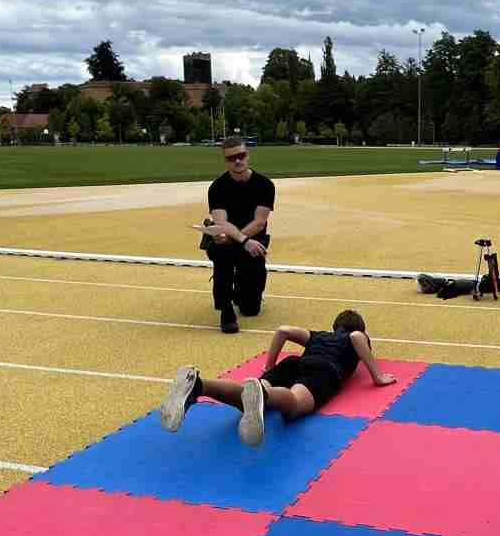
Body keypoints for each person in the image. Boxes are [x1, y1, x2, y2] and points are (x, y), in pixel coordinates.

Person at [158, 310, 396, 447]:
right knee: (293, 402)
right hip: (323, 371)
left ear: (334, 327)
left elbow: (283, 330)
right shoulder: (355, 338)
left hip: (293, 362)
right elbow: (356, 336)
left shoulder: (318, 335)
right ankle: (263, 393)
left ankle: (199, 385)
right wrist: (378, 376)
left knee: (246, 395)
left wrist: (269, 365)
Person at [193, 135, 275, 333]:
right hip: (226, 238)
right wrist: (240, 240)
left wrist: (242, 240)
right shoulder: (217, 187)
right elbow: (221, 222)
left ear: (248, 155)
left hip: (252, 239)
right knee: (223, 253)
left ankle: (241, 289)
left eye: (241, 155)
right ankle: (226, 309)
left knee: (250, 309)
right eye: (231, 158)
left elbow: (259, 222)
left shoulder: (264, 185)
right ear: (225, 160)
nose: (237, 160)